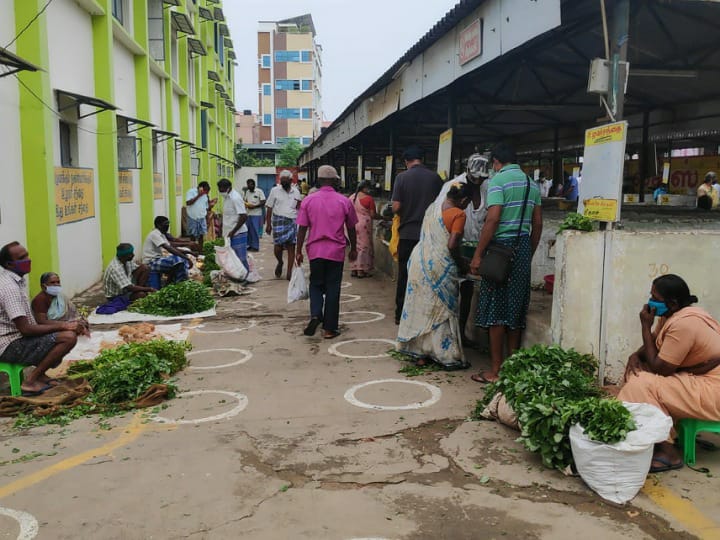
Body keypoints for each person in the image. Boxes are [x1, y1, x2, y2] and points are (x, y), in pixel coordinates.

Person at [618, 274, 720, 473]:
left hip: (713, 390)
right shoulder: (671, 315)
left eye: (655, 297)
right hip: (698, 377)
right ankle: (659, 431)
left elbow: (660, 368)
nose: (650, 302)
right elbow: (653, 346)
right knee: (638, 370)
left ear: (672, 303)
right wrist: (634, 355)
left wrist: (644, 327)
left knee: (641, 383)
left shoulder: (684, 325)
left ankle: (667, 451)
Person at [469, 143, 543, 384]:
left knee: (496, 311)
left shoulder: (497, 181)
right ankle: (513, 368)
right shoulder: (531, 184)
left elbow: (492, 219)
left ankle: (496, 371)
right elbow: (538, 223)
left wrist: (478, 254)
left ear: (496, 163)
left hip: (500, 247)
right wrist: (528, 252)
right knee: (516, 309)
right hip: (521, 247)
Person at [397, 182, 474, 370]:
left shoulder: (432, 209)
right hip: (439, 264)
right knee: (442, 310)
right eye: (468, 203)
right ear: (463, 200)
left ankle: (421, 354)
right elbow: (452, 243)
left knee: (423, 305)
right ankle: (445, 355)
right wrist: (462, 263)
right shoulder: (458, 214)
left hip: (419, 261)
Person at [0, 242, 80, 395]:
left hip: (17, 338)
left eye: (27, 255)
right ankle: (30, 381)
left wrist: (66, 324)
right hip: (8, 345)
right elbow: (26, 329)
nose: (28, 260)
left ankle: (40, 376)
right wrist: (64, 326)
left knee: (61, 333)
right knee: (67, 337)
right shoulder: (9, 288)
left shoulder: (16, 281)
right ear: (9, 264)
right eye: (22, 258)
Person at [296, 165, 358, 339]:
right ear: (334, 180)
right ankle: (329, 329)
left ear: (319, 180)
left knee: (315, 284)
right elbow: (352, 227)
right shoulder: (344, 201)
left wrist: (298, 250)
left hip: (315, 250)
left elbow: (302, 227)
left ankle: (316, 314)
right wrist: (354, 247)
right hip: (336, 251)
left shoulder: (308, 200)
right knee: (333, 288)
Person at [434, 153, 491, 344]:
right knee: (448, 292)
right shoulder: (452, 187)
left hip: (474, 247)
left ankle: (460, 333)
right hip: (453, 246)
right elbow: (441, 215)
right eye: (475, 178)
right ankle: (445, 335)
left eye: (481, 178)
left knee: (467, 291)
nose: (478, 181)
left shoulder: (487, 188)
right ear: (467, 172)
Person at [391, 145, 443, 324]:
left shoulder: (402, 178)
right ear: (422, 159)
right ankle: (425, 314)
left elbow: (396, 206)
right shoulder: (435, 178)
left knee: (405, 274)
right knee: (427, 275)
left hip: (407, 234)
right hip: (429, 235)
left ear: (406, 161)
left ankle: (401, 315)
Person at [266, 170, 303, 280]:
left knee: (292, 246)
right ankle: (280, 262)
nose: (283, 182)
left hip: (292, 220)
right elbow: (269, 207)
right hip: (278, 220)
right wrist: (268, 224)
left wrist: (300, 222)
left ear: (291, 180)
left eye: (286, 180)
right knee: (278, 247)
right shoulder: (275, 191)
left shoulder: (296, 192)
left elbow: (299, 207)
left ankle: (289, 271)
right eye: (282, 180)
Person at [142, 216, 194, 288]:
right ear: (158, 225)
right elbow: (169, 248)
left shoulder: (162, 234)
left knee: (179, 262)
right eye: (165, 224)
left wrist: (188, 253)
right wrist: (186, 258)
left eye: (168, 224)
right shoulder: (154, 234)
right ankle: (181, 284)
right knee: (179, 260)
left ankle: (171, 283)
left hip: (158, 260)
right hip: (151, 262)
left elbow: (172, 247)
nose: (167, 226)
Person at [217, 178, 249, 271]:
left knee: (240, 258)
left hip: (238, 233)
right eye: (219, 190)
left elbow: (243, 216)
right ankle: (238, 276)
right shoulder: (227, 198)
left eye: (222, 190)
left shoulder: (235, 198)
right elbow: (227, 215)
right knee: (232, 258)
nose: (221, 192)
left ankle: (245, 276)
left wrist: (233, 231)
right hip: (229, 233)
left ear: (228, 188)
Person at [348, 180, 379, 278]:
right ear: (364, 188)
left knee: (354, 245)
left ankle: (354, 269)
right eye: (368, 188)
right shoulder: (369, 199)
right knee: (364, 247)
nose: (369, 190)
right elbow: (373, 214)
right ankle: (361, 270)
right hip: (364, 225)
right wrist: (383, 217)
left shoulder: (351, 197)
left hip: (353, 223)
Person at [185, 181, 216, 247]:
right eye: (205, 191)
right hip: (192, 217)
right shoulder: (191, 192)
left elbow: (206, 207)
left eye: (207, 191)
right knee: (192, 235)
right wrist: (199, 195)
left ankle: (200, 250)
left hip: (202, 217)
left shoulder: (205, 195)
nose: (206, 192)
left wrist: (212, 203)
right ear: (200, 188)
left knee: (201, 235)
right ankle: (192, 250)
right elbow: (188, 203)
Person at [243, 179, 266, 252]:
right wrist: (246, 205)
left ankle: (255, 246)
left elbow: (263, 202)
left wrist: (254, 206)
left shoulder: (259, 191)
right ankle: (249, 245)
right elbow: (245, 201)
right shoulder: (247, 192)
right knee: (248, 230)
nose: (250, 186)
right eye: (248, 185)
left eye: (251, 184)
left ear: (254, 184)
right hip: (249, 213)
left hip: (256, 214)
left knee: (255, 231)